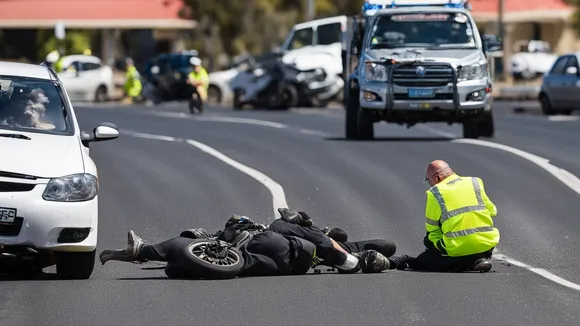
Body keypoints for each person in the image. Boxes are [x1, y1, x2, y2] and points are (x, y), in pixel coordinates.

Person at [99, 208, 396, 278]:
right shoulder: (335, 246)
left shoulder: (318, 238)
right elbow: (387, 245)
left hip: (282, 248)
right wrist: (397, 261)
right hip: (271, 261)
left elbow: (355, 254)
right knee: (175, 269)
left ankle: (144, 251)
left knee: (274, 228)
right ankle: (145, 252)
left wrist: (302, 222)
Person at [386, 160, 500, 272]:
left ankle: (465, 261)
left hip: (456, 250)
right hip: (487, 245)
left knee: (428, 243)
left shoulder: (435, 193)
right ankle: (476, 259)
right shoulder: (475, 182)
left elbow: (433, 231)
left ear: (437, 178)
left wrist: (438, 247)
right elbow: (492, 211)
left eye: (428, 180)